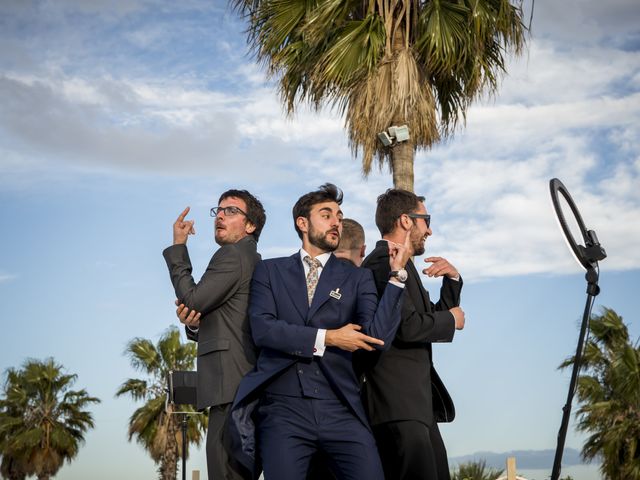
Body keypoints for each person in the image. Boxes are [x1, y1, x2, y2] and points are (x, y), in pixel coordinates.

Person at [227, 183, 411, 480]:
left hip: (339, 407)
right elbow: (263, 329)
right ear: (302, 223)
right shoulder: (270, 271)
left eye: (339, 216)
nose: (336, 221)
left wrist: (397, 278)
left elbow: (377, 338)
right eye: (326, 215)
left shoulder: (357, 278)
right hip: (283, 409)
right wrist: (330, 337)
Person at [359, 188, 465, 480]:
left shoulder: (403, 264)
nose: (429, 230)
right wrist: (450, 320)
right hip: (397, 407)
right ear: (406, 220)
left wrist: (452, 280)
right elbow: (406, 326)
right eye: (425, 220)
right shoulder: (383, 263)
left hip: (416, 408)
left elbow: (427, 317)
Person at [163, 189, 266, 480]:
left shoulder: (232, 255)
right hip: (241, 387)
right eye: (218, 210)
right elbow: (230, 321)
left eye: (231, 211)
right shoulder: (251, 260)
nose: (220, 215)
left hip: (229, 390)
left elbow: (193, 300)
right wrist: (194, 325)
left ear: (250, 225)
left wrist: (178, 246)